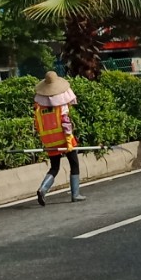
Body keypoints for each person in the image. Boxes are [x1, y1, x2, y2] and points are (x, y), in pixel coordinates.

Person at [33, 71, 84, 205]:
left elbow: (37, 126)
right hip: (64, 139)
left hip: (49, 141)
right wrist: (68, 141)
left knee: (54, 167)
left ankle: (43, 189)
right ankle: (75, 194)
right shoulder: (61, 106)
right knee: (74, 164)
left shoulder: (39, 108)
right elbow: (66, 124)